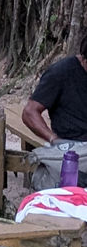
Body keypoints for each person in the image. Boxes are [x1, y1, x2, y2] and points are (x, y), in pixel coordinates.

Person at [22, 33, 87, 188]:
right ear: (85, 59)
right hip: (71, 147)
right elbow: (29, 112)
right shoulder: (61, 72)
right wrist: (53, 138)